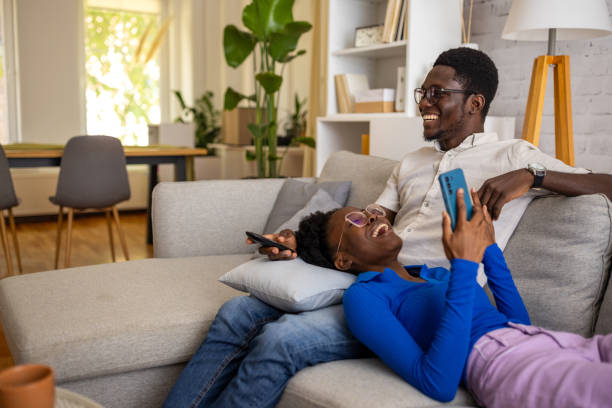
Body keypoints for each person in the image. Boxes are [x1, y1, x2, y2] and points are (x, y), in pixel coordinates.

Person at [164, 47, 612, 408]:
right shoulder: (411, 163)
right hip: (372, 273)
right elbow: (371, 222)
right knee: (236, 312)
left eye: (438, 94)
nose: (423, 102)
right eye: (423, 91)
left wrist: (532, 175)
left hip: (430, 298)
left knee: (285, 339)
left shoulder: (513, 154)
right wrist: (303, 245)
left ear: (475, 103)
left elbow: (606, 184)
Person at [297, 191, 612, 408]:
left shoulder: (436, 274)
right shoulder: (365, 296)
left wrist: (487, 247)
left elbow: (516, 325)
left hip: (548, 343)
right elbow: (438, 382)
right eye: (356, 220)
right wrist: (464, 265)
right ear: (343, 261)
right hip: (503, 367)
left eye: (372, 212)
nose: (372, 217)